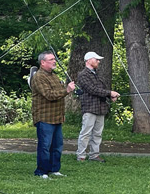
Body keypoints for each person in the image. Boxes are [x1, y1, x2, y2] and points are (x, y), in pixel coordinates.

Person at [30, 51, 76, 179]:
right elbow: (49, 95)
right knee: (45, 146)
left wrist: (62, 114)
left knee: (57, 146)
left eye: (54, 59)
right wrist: (66, 90)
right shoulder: (38, 77)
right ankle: (41, 171)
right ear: (43, 62)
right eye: (51, 59)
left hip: (56, 117)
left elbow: (58, 94)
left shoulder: (54, 76)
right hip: (44, 117)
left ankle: (54, 169)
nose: (54, 61)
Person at [76, 51, 119, 163]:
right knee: (86, 133)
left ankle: (94, 155)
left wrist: (110, 96)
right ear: (89, 60)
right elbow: (92, 89)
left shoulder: (96, 74)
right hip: (90, 107)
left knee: (97, 134)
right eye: (96, 59)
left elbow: (102, 89)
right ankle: (81, 155)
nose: (98, 61)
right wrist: (110, 93)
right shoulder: (83, 75)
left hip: (100, 108)